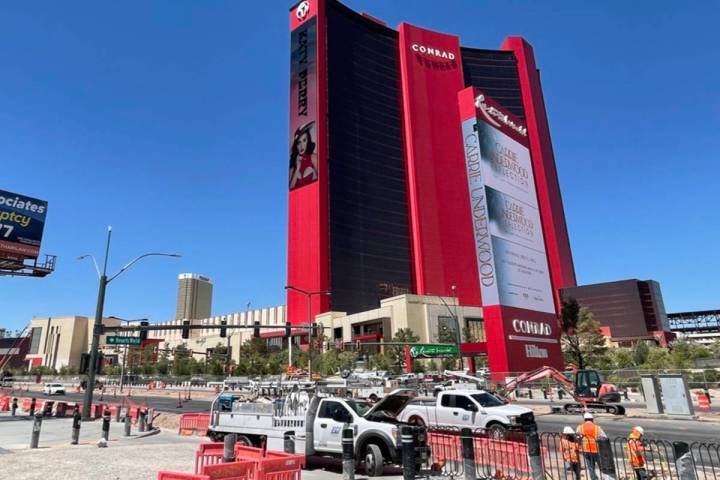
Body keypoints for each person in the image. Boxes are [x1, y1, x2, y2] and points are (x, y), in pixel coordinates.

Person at [576, 412, 606, 480]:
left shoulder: (580, 427)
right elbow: (604, 437)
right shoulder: (597, 428)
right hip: (596, 449)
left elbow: (577, 438)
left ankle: (593, 478)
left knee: (590, 467)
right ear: (592, 419)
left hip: (586, 450)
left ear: (584, 420)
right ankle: (604, 478)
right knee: (601, 466)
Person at [289, 122, 318, 189]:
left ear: (308, 141)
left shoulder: (313, 157)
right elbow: (291, 189)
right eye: (299, 142)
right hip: (297, 198)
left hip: (313, 196)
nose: (302, 146)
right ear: (296, 145)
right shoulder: (293, 164)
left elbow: (322, 180)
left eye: (304, 140)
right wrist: (297, 169)